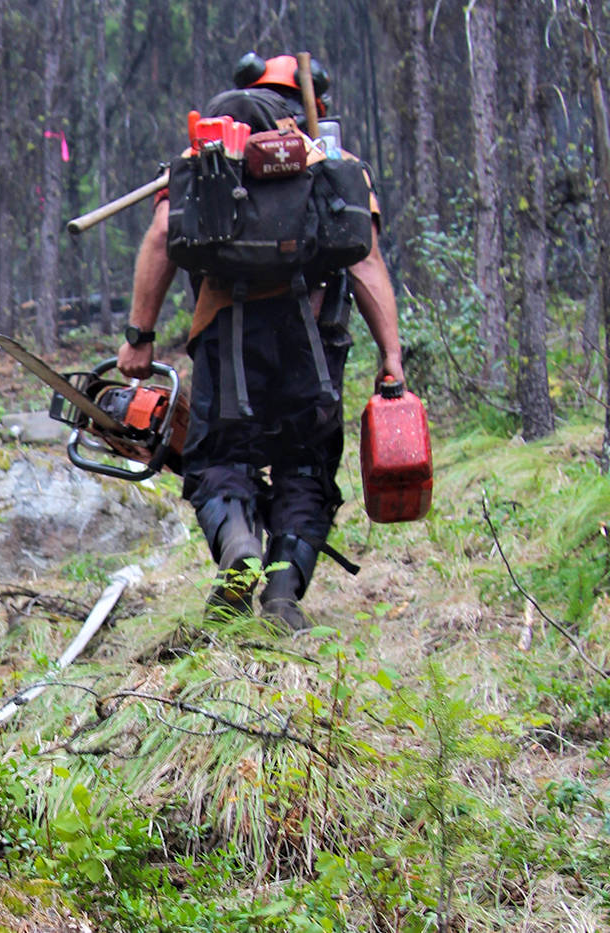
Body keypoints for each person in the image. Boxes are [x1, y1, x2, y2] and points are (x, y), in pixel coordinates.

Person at [116, 53, 405, 630]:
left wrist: (139, 339)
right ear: (313, 102)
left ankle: (237, 547)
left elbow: (157, 239)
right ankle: (282, 593)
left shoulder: (212, 153)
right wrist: (392, 358)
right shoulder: (335, 160)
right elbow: (368, 263)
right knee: (306, 468)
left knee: (220, 460)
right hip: (314, 342)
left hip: (227, 335)